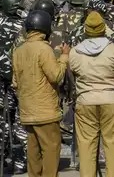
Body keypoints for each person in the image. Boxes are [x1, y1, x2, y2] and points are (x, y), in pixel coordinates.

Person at [12, 10, 69, 177]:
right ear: (46, 28)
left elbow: (15, 83)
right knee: (51, 150)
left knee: (33, 153)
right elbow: (56, 76)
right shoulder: (44, 49)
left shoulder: (18, 51)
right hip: (46, 112)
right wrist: (64, 57)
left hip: (27, 112)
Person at [69, 11, 114, 177]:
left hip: (85, 101)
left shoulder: (75, 52)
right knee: (113, 144)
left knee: (86, 146)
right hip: (112, 100)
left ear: (85, 30)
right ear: (104, 28)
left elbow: (71, 79)